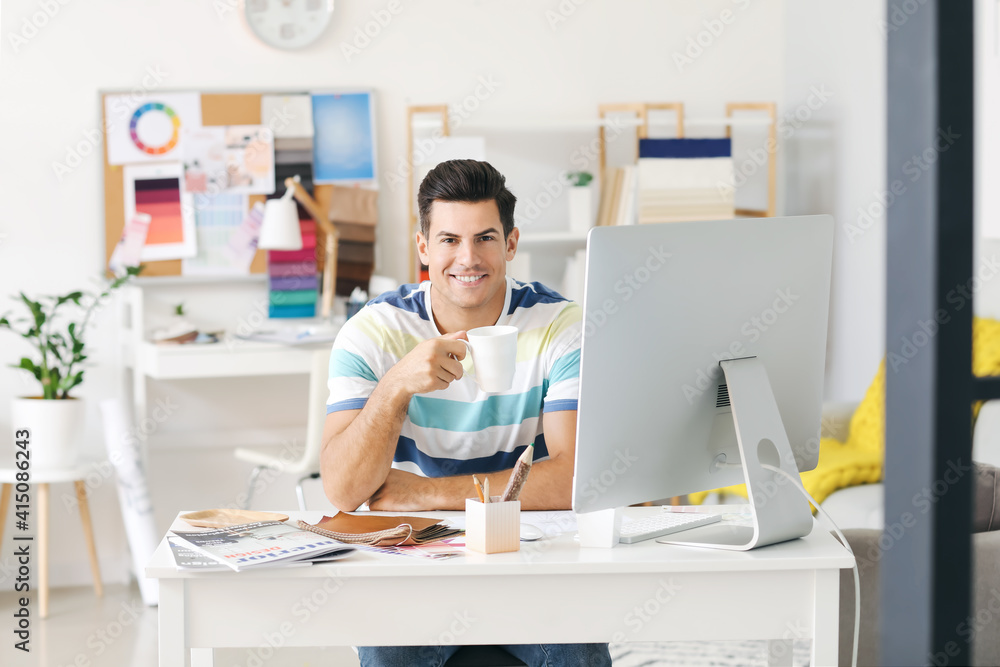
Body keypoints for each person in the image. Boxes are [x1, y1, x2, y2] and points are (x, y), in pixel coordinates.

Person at [320, 159, 611, 667]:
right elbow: (344, 490)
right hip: (412, 560)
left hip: (529, 557)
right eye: (450, 240)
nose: (468, 258)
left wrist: (428, 493)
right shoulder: (373, 332)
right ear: (423, 247)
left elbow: (573, 479)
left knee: (578, 650)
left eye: (486, 238)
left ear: (512, 244)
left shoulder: (561, 325)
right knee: (390, 652)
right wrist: (395, 388)